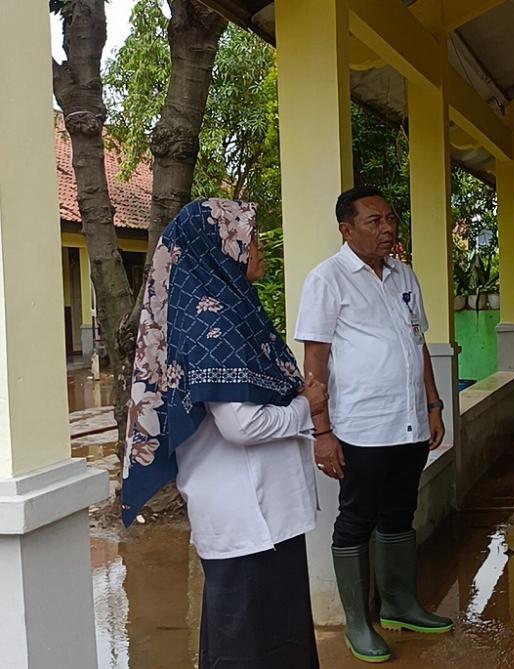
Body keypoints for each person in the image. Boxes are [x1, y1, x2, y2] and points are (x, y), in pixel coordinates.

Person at [121, 198, 328, 668]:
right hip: (246, 515)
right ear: (219, 247)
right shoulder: (213, 321)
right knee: (247, 645)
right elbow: (242, 424)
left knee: (270, 637)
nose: (258, 249)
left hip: (265, 513)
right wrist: (306, 407)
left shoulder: (232, 309)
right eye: (249, 239)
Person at [295, 186, 453, 664]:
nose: (387, 228)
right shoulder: (328, 280)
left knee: (399, 512)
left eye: (390, 219)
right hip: (360, 426)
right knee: (356, 518)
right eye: (374, 221)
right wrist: (321, 432)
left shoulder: (405, 276)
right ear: (346, 229)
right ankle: (358, 622)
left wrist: (433, 405)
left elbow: (417, 343)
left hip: (408, 423)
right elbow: (315, 361)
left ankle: (400, 604)